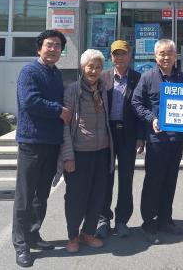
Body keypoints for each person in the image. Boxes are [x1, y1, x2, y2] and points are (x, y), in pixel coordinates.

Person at [12, 30, 71, 268]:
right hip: (31, 142)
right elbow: (30, 101)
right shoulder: (29, 71)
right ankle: (21, 245)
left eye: (57, 46)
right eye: (49, 45)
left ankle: (33, 234)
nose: (53, 49)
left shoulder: (56, 73)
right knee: (25, 196)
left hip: (51, 142)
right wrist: (59, 110)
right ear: (39, 48)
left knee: (41, 195)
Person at [132, 39, 183, 245]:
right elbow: (136, 102)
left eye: (170, 53)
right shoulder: (147, 77)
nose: (166, 57)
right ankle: (148, 223)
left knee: (170, 180)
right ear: (155, 56)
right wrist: (152, 119)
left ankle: (165, 219)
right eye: (162, 53)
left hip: (177, 139)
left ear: (176, 56)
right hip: (157, 139)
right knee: (153, 181)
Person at [60, 49, 114, 253]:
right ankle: (73, 236)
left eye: (98, 67)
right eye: (90, 66)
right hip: (79, 153)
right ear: (83, 67)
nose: (94, 70)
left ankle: (88, 233)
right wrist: (68, 156)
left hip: (102, 152)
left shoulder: (103, 89)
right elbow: (65, 125)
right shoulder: (72, 90)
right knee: (76, 197)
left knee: (97, 196)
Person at [96, 40, 144, 239]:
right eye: (116, 54)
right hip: (106, 134)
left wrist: (141, 136)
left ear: (130, 55)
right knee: (104, 178)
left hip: (128, 134)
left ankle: (122, 220)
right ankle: (103, 218)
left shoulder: (138, 78)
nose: (119, 57)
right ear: (111, 56)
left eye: (123, 53)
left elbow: (142, 109)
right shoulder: (102, 77)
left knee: (126, 178)